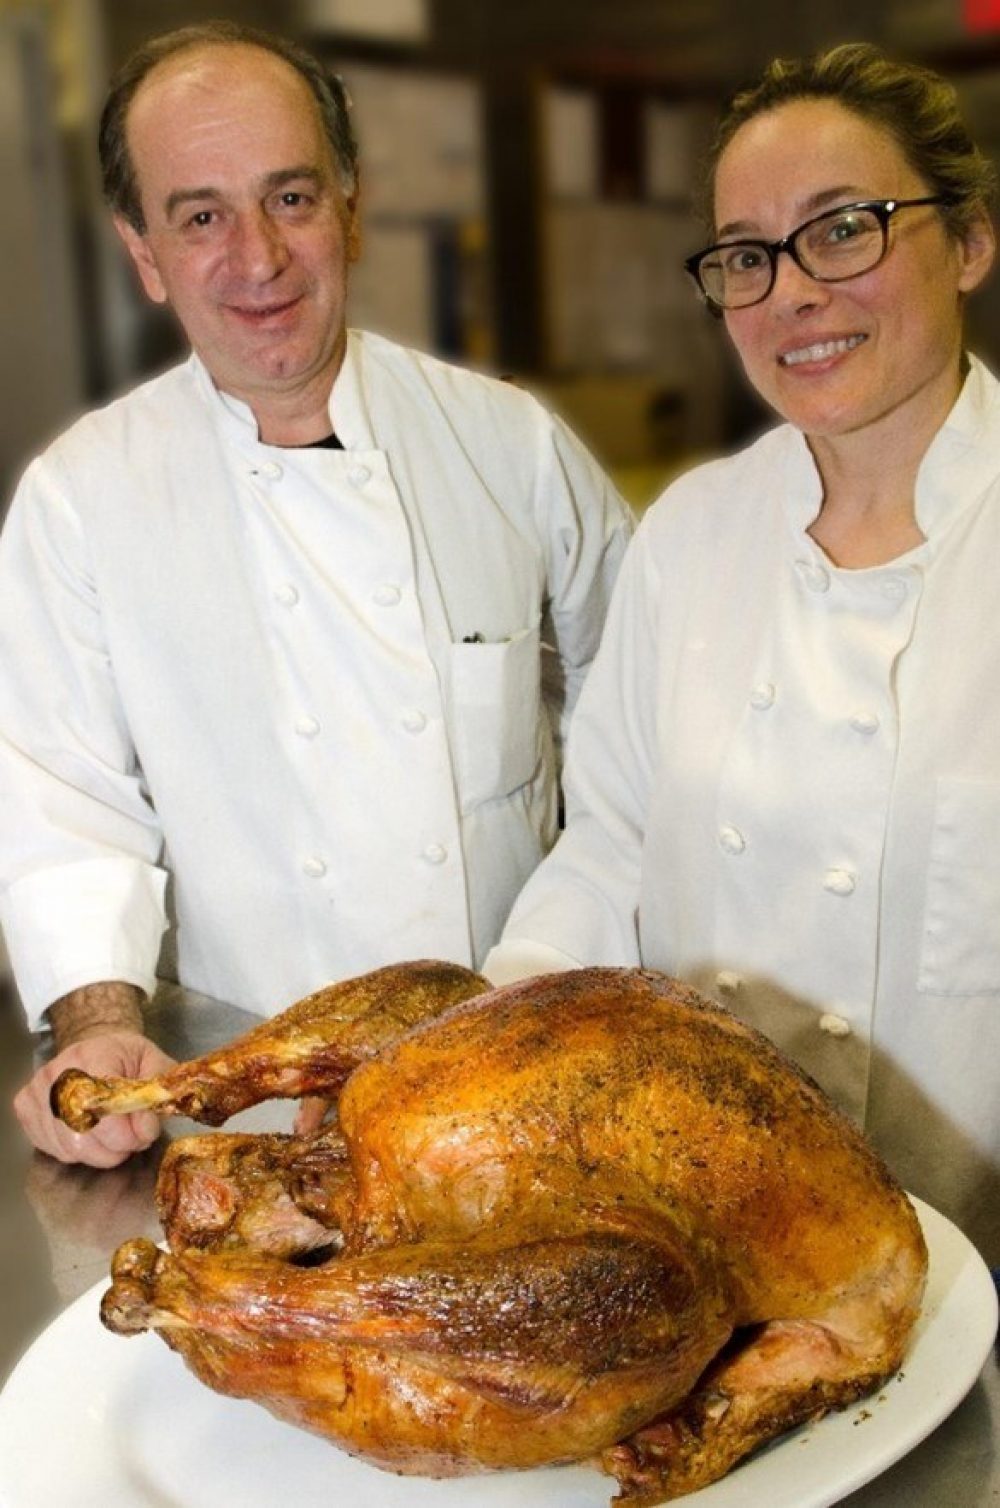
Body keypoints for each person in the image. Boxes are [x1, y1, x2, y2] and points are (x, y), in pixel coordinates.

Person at [0, 22, 631, 1167]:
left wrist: (575, 964)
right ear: (143, 253)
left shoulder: (510, 445)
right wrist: (101, 1024)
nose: (259, 258)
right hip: (244, 1107)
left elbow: (634, 718)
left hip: (514, 1086)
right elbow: (61, 798)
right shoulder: (81, 499)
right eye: (200, 217)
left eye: (289, 197)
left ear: (350, 205)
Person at [484, 42, 1000, 1260]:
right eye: (746, 256)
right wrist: (507, 1019)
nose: (791, 294)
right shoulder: (694, 532)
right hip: (703, 1236)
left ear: (969, 242)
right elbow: (612, 838)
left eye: (842, 230)